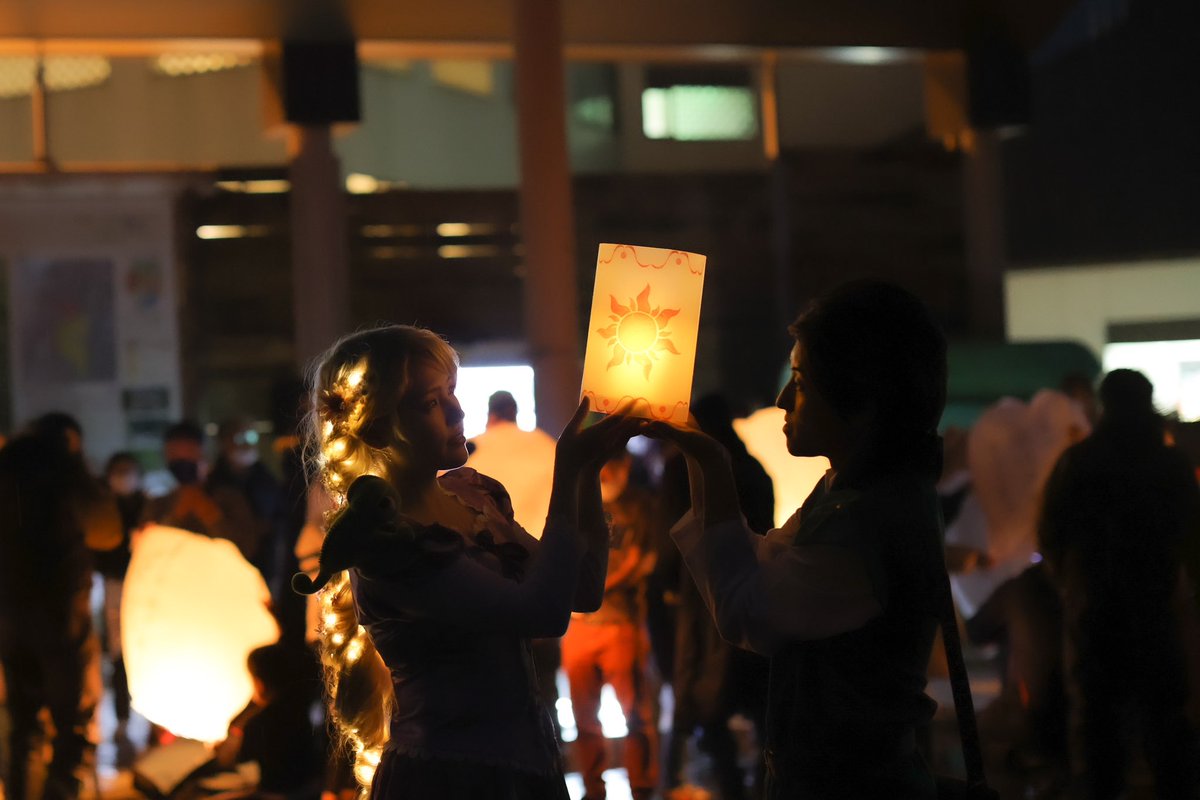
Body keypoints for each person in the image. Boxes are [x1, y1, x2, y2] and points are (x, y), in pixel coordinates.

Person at [297, 324, 640, 799]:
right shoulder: (391, 544)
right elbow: (541, 614)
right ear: (377, 427)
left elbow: (582, 588)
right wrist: (569, 472)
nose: (458, 411)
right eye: (431, 402)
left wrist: (587, 476)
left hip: (528, 770)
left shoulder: (475, 498)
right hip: (451, 778)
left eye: (452, 392)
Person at [644, 280, 948, 799]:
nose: (783, 399)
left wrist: (710, 462)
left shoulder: (865, 520)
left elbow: (746, 609)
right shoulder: (854, 492)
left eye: (802, 382)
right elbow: (764, 563)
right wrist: (702, 458)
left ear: (862, 401)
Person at [1038, 368, 1200, 800]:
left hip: (1095, 608)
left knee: (1097, 724)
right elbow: (1192, 537)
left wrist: (1069, 583)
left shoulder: (1078, 462)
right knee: (1166, 721)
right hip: (1156, 609)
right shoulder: (1171, 465)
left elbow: (1051, 533)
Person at [0, 413, 121, 800]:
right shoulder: (66, 475)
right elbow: (107, 532)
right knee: (73, 722)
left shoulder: (6, 469)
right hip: (61, 611)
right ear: (70, 440)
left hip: (9, 612)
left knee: (24, 724)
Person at [659, 394, 773, 800]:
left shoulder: (684, 467)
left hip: (703, 595)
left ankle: (730, 787)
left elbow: (673, 535)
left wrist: (666, 587)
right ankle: (764, 784)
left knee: (708, 701)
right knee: (761, 707)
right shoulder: (753, 468)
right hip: (758, 590)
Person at [561, 450, 660, 800]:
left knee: (635, 713)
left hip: (620, 623)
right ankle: (594, 789)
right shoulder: (575, 503)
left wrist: (592, 588)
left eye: (612, 466)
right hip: (580, 627)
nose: (606, 474)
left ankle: (642, 786)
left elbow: (640, 560)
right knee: (584, 716)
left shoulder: (639, 506)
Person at [464, 390, 562, 738]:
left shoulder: (473, 449)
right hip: (540, 570)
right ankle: (551, 747)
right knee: (544, 681)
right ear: (516, 412)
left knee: (497, 676)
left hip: (487, 576)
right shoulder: (545, 446)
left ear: (490, 415)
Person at [94, 451, 147, 764]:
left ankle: (153, 725)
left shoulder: (147, 505)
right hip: (115, 585)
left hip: (147, 584)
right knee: (120, 656)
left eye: (129, 470)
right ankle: (123, 721)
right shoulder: (103, 509)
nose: (125, 476)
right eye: (119, 470)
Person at [144, 420, 258, 560]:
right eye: (174, 454)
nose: (182, 460)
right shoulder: (159, 505)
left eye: (189, 452)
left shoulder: (229, 499)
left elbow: (244, 549)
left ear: (203, 454)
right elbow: (150, 551)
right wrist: (176, 514)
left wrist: (208, 511)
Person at [207, 417, 285, 590]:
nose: (246, 444)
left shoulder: (267, 480)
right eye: (239, 438)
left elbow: (279, 519)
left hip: (264, 566)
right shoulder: (212, 486)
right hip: (225, 568)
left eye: (251, 437)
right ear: (223, 442)